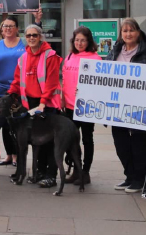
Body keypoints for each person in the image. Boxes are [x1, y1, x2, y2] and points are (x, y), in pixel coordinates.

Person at [105, 18, 146, 193]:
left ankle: (140, 179)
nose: (128, 34)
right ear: (121, 34)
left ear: (138, 32)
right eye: (125, 31)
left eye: (131, 30)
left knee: (139, 144)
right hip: (117, 107)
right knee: (121, 143)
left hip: (140, 107)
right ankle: (129, 176)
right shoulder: (114, 51)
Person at [8, 24, 62, 187]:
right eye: (29, 35)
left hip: (47, 103)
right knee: (38, 140)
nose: (31, 38)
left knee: (50, 141)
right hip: (29, 104)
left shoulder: (50, 56)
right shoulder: (23, 58)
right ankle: (39, 172)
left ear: (40, 37)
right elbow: (17, 81)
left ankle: (51, 175)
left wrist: (43, 103)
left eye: (35, 35)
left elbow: (52, 83)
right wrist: (10, 96)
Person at [62, 26, 101, 185]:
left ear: (89, 41)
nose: (79, 43)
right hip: (69, 106)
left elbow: (100, 84)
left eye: (83, 40)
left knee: (87, 139)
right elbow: (64, 80)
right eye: (77, 40)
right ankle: (76, 169)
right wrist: (62, 99)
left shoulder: (95, 58)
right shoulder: (70, 56)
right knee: (71, 140)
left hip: (86, 107)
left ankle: (85, 172)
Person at [0, 16, 26, 166]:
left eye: (11, 26)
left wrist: (37, 21)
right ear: (1, 30)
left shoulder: (24, 43)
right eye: (5, 26)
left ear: (17, 28)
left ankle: (17, 156)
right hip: (1, 91)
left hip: (20, 91)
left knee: (17, 124)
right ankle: (8, 155)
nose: (8, 28)